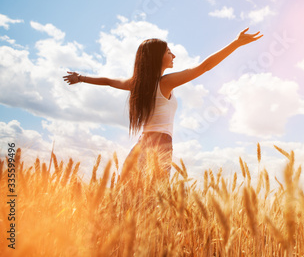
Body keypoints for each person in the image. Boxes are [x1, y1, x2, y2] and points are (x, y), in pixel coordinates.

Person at [63, 28, 263, 177]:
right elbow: (205, 67)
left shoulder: (136, 84)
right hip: (160, 144)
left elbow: (107, 81)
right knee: (154, 202)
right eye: (169, 52)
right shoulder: (166, 83)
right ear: (157, 58)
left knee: (129, 199)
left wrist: (80, 78)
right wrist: (235, 44)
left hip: (141, 145)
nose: (173, 55)